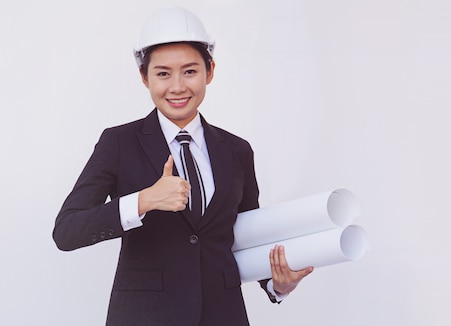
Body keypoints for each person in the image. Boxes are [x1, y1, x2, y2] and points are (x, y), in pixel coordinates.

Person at [52, 6, 313, 326]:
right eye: (163, 73)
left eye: (189, 71)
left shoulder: (236, 150)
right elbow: (67, 231)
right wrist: (144, 200)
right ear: (144, 77)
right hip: (146, 318)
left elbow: (244, 237)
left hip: (224, 316)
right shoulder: (118, 143)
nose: (177, 87)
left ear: (210, 71)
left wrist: (277, 286)